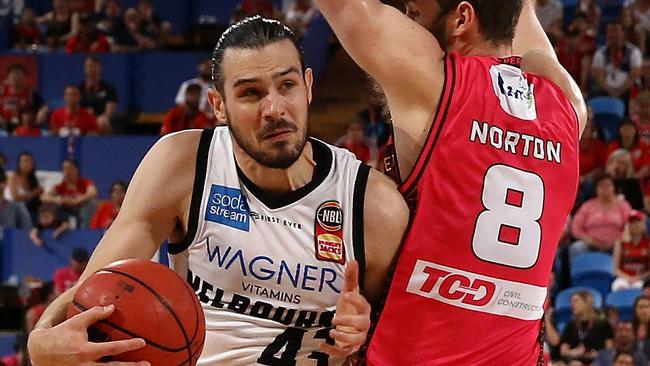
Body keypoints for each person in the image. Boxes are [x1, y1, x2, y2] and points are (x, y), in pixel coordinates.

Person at [27, 16, 409, 366]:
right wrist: (42, 339)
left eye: (287, 85)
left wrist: (365, 332)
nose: (274, 107)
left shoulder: (372, 204)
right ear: (219, 106)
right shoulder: (184, 164)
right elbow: (93, 291)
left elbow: (391, 340)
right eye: (250, 93)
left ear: (308, 87)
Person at [314, 0, 587, 364]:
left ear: (461, 19)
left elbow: (348, 8)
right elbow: (520, 16)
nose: (406, 22)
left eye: (413, 13)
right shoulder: (570, 108)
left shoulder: (436, 83)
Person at [560, 291, 614, 364]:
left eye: (576, 301)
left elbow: (610, 348)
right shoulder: (571, 325)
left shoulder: (602, 323)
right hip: (576, 361)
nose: (572, 304)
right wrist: (573, 352)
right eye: (571, 302)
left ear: (587, 303)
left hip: (598, 361)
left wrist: (598, 354)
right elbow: (563, 351)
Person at [41, 159, 98, 229]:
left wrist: (76, 201)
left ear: (76, 170)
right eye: (64, 169)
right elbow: (43, 197)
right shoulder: (61, 186)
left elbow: (93, 192)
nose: (67, 171)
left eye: (69, 168)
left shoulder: (84, 183)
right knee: (51, 205)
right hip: (66, 211)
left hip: (80, 209)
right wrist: (58, 199)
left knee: (91, 203)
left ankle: (84, 229)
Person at [78, 56, 118, 135]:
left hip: (100, 120)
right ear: (85, 69)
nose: (91, 69)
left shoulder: (108, 88)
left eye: (94, 66)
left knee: (103, 123)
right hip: (83, 119)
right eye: (89, 66)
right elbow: (77, 108)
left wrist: (95, 120)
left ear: (100, 68)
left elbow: (109, 110)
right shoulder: (80, 88)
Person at [612, 210, 650, 291]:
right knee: (618, 286)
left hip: (641, 278)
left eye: (637, 222)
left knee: (636, 287)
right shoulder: (620, 242)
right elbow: (615, 269)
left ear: (643, 224)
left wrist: (637, 278)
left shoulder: (648, 243)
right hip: (624, 277)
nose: (634, 225)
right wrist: (628, 278)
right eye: (632, 223)